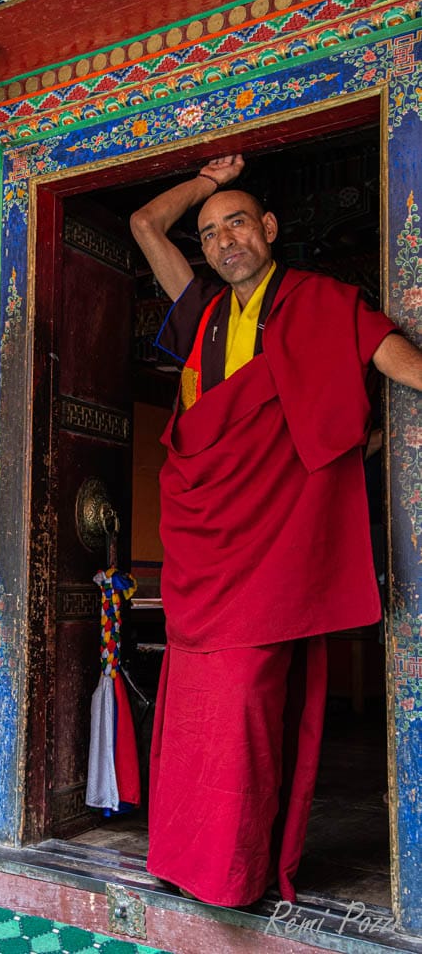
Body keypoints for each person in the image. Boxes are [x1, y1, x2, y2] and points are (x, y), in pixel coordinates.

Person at [129, 153, 422, 907]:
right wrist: (204, 181)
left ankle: (235, 872)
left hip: (273, 543)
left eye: (237, 222)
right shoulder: (197, 310)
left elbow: (391, 358)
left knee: (252, 703)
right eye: (210, 232)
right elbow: (142, 223)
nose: (225, 240)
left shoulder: (318, 302)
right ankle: (186, 856)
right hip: (205, 544)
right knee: (197, 703)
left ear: (268, 228)